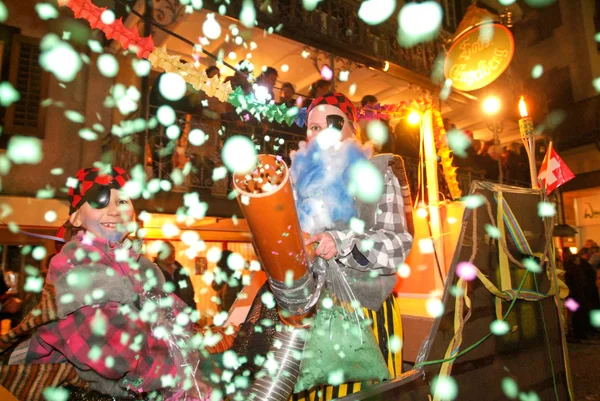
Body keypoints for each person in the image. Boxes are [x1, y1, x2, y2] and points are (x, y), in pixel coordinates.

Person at [233, 92, 413, 400]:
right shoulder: (296, 181)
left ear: (350, 127)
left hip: (362, 319)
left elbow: (399, 244)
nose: (319, 133)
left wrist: (341, 242)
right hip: (306, 317)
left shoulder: (379, 171)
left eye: (330, 123)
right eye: (312, 127)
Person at [0, 167, 208, 400]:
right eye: (99, 200)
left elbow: (177, 324)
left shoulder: (144, 268)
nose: (114, 211)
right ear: (77, 217)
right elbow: (114, 353)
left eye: (123, 201)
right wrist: (180, 375)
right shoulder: (74, 263)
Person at [155, 241, 196, 309]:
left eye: (173, 252)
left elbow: (190, 295)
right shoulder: (154, 272)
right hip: (164, 316)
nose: (171, 255)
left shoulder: (181, 272)